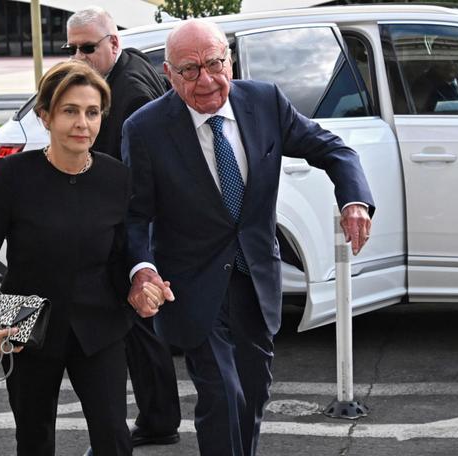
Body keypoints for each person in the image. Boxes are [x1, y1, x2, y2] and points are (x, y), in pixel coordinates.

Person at [121, 20, 375, 456]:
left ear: (230, 60)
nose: (206, 79)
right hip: (191, 286)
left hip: (254, 277)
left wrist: (353, 200)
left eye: (215, 63)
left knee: (252, 396)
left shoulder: (265, 102)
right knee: (221, 395)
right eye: (189, 70)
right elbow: (135, 215)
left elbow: (335, 150)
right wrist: (142, 269)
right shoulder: (145, 129)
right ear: (168, 73)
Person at [0, 60, 165, 456]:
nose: (82, 123)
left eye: (91, 112)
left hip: (100, 322)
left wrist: (143, 283)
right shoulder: (14, 175)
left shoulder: (116, 177)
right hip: (23, 321)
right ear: (45, 116)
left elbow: (124, 253)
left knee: (113, 439)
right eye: (70, 111)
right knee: (34, 440)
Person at [65, 6, 181, 449]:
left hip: (126, 225)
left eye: (87, 47)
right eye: (72, 48)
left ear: (113, 42)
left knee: (130, 327)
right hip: (129, 224)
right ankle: (156, 419)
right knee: (139, 327)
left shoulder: (127, 90)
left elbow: (129, 171)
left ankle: (147, 422)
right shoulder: (128, 66)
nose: (78, 56)